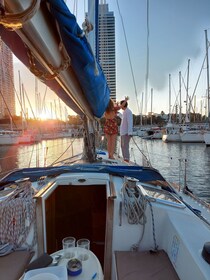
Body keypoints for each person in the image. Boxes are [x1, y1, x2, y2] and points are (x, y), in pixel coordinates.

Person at [119, 98, 133, 162]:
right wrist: (118, 114)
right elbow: (123, 118)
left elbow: (130, 122)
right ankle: (125, 158)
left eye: (120, 104)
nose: (120, 106)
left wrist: (130, 132)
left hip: (126, 133)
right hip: (123, 132)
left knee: (125, 146)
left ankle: (127, 159)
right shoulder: (125, 112)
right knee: (122, 146)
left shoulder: (128, 112)